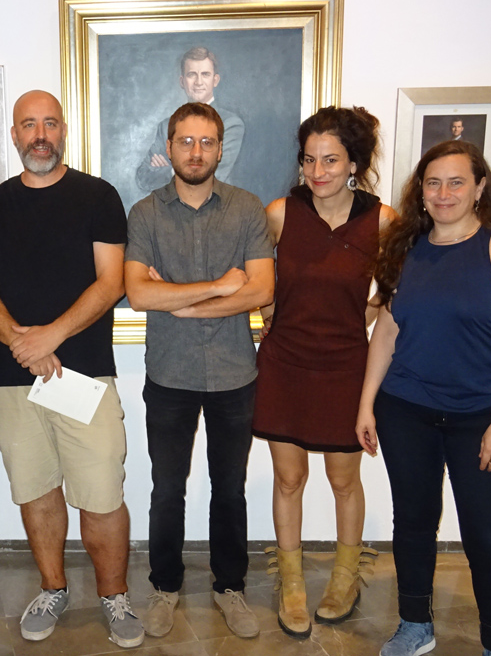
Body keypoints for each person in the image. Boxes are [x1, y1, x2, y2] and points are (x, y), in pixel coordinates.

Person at [0, 90, 143, 648]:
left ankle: (114, 597)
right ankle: (53, 588)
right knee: (36, 491)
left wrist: (52, 336)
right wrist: (25, 345)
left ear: (63, 130)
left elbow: (111, 282)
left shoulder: (98, 196)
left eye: (49, 123)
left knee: (101, 494)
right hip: (13, 378)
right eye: (28, 125)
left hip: (82, 376)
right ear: (14, 135)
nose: (39, 135)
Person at [356, 140, 491, 656]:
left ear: (480, 187)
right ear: (420, 191)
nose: (443, 193)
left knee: (488, 536)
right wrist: (366, 403)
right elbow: (387, 331)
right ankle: (415, 625)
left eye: (456, 182)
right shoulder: (404, 248)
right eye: (433, 183)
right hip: (405, 409)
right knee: (413, 524)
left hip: (481, 416)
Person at [125, 102, 275, 640]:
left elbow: (262, 289)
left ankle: (229, 587)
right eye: (185, 141)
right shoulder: (145, 214)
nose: (196, 152)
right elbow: (139, 294)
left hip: (235, 375)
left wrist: (183, 302)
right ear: (169, 148)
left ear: (219, 148)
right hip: (170, 375)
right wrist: (218, 287)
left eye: (206, 142)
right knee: (167, 489)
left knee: (229, 488)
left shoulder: (247, 208)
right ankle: (164, 587)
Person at [252, 106, 396, 639]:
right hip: (285, 364)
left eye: (330, 160)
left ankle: (344, 578)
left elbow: (398, 290)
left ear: (354, 163)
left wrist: (369, 311)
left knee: (343, 480)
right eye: (309, 159)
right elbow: (256, 277)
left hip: (345, 366)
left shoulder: (383, 221)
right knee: (289, 479)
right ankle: (291, 584)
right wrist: (268, 315)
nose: (318, 171)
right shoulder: (280, 214)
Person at [135, 47, 245, 192]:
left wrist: (171, 169)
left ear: (215, 80)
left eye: (205, 74)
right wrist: (178, 170)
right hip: (170, 207)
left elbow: (212, 178)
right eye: (192, 74)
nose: (198, 82)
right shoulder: (166, 126)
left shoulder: (230, 124)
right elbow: (143, 178)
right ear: (182, 81)